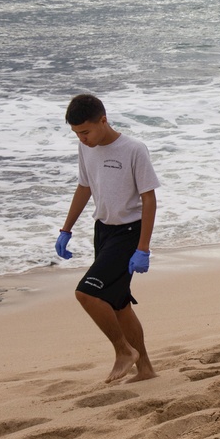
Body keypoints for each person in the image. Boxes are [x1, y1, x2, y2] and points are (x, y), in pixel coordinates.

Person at [55, 94, 160, 383]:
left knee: (86, 292)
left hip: (129, 233)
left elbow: (149, 199)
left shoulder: (133, 149)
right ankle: (146, 369)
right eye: (76, 133)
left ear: (103, 120)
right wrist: (66, 229)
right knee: (119, 304)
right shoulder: (85, 147)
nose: (82, 138)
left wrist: (143, 248)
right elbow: (84, 187)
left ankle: (123, 351)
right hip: (103, 230)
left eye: (86, 131)